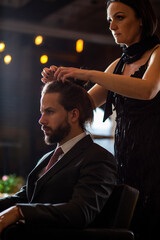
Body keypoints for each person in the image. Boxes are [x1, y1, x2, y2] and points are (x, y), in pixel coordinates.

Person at [41, 0, 160, 239]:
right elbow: (84, 106)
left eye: (120, 17)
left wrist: (87, 73)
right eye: (109, 20)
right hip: (126, 163)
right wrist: (60, 84)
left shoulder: (158, 53)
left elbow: (148, 89)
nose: (112, 26)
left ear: (141, 19)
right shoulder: (117, 66)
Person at [0, 81, 116, 239]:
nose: (41, 120)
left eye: (49, 112)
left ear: (73, 115)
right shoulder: (47, 157)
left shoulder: (99, 158)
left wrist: (19, 211)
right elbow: (25, 197)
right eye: (42, 112)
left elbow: (80, 212)